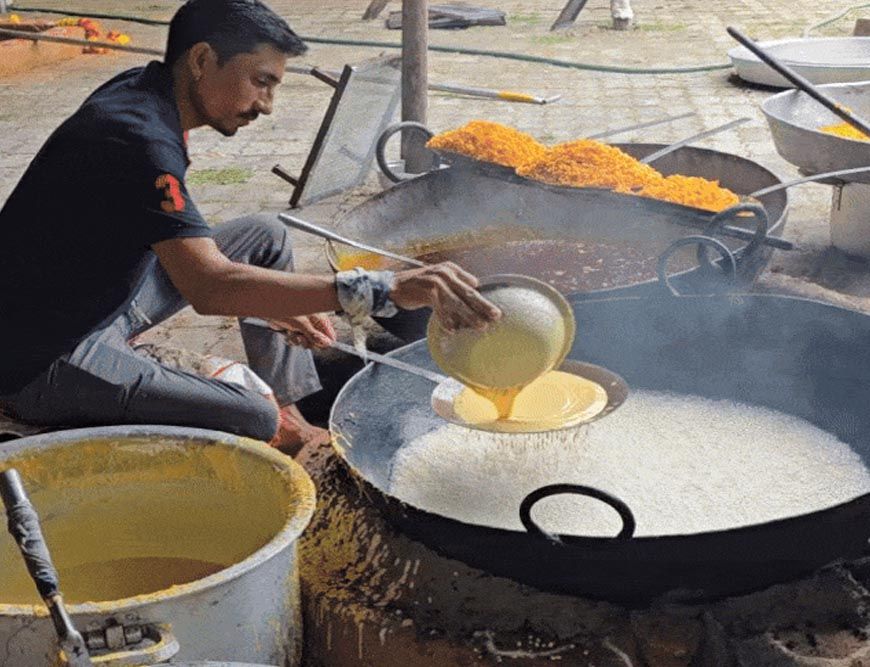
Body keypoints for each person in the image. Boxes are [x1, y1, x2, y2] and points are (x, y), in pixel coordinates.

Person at [0, 0, 500, 453]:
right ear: (201, 61)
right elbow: (211, 289)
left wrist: (275, 300)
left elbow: (189, 254)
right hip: (40, 355)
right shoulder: (137, 140)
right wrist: (386, 288)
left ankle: (295, 412)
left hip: (98, 302)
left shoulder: (144, 89)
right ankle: (275, 422)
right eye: (260, 81)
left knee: (266, 235)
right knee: (250, 416)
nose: (267, 105)